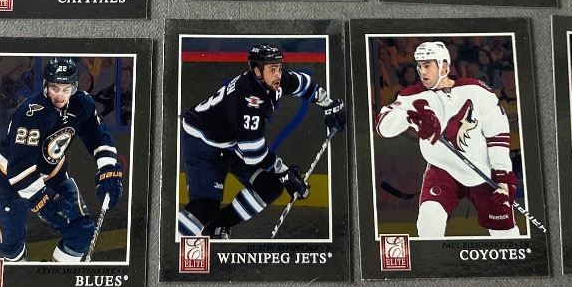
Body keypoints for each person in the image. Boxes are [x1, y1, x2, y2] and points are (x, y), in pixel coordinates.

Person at [177, 42, 346, 239]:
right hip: (202, 142)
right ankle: (174, 242)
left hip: (232, 143)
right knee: (205, 207)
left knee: (269, 186)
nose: (278, 74)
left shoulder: (273, 80)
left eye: (280, 68)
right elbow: (253, 153)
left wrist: (328, 104)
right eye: (273, 69)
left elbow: (303, 84)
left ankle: (219, 226)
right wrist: (284, 171)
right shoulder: (250, 99)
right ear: (257, 71)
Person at [374, 41, 518, 238]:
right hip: (442, 170)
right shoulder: (412, 96)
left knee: (506, 236)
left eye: (427, 65)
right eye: (419, 66)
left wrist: (501, 174)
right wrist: (408, 117)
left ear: (443, 66)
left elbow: (497, 133)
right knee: (428, 224)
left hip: (483, 172)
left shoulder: (475, 89)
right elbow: (382, 127)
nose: (421, 71)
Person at [0, 57, 123, 263]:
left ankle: (57, 275)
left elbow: (99, 137)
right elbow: (19, 167)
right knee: (9, 247)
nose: (60, 95)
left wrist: (108, 168)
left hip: (52, 174)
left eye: (66, 89)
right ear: (46, 85)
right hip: (10, 178)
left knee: (82, 232)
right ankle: (20, 275)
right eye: (54, 88)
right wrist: (42, 200)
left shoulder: (82, 103)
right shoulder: (31, 111)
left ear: (74, 86)